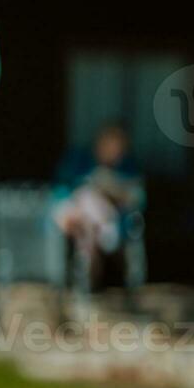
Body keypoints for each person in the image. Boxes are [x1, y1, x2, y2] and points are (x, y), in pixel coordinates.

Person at [51, 123, 145, 302]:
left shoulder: (127, 167)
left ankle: (86, 285)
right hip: (78, 220)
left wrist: (111, 188)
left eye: (118, 147)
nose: (113, 150)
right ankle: (86, 284)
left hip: (109, 224)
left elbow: (137, 198)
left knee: (89, 226)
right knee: (86, 204)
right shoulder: (79, 160)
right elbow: (61, 191)